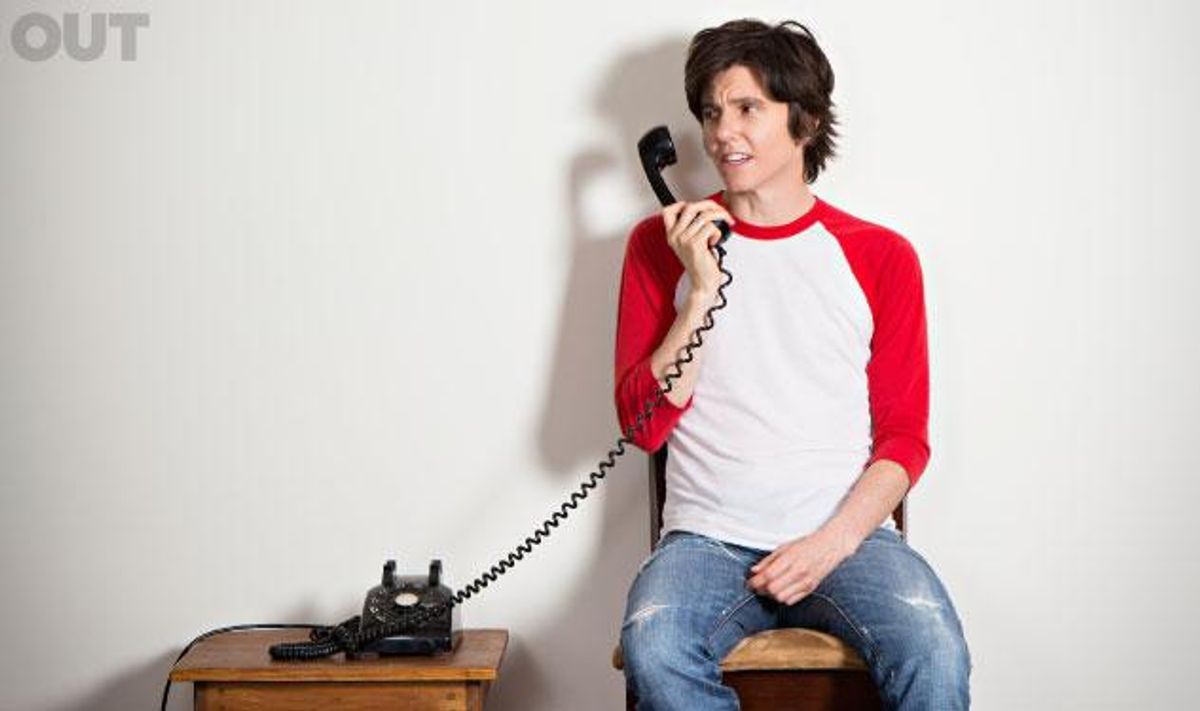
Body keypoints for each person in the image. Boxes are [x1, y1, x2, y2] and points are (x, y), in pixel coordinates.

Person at [614, 19, 972, 710]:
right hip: (706, 540)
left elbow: (904, 438)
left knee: (934, 648)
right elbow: (643, 426)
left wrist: (828, 544)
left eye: (747, 108)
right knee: (654, 646)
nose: (721, 133)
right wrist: (700, 293)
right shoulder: (661, 245)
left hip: (845, 539)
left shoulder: (881, 257)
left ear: (803, 120)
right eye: (711, 113)